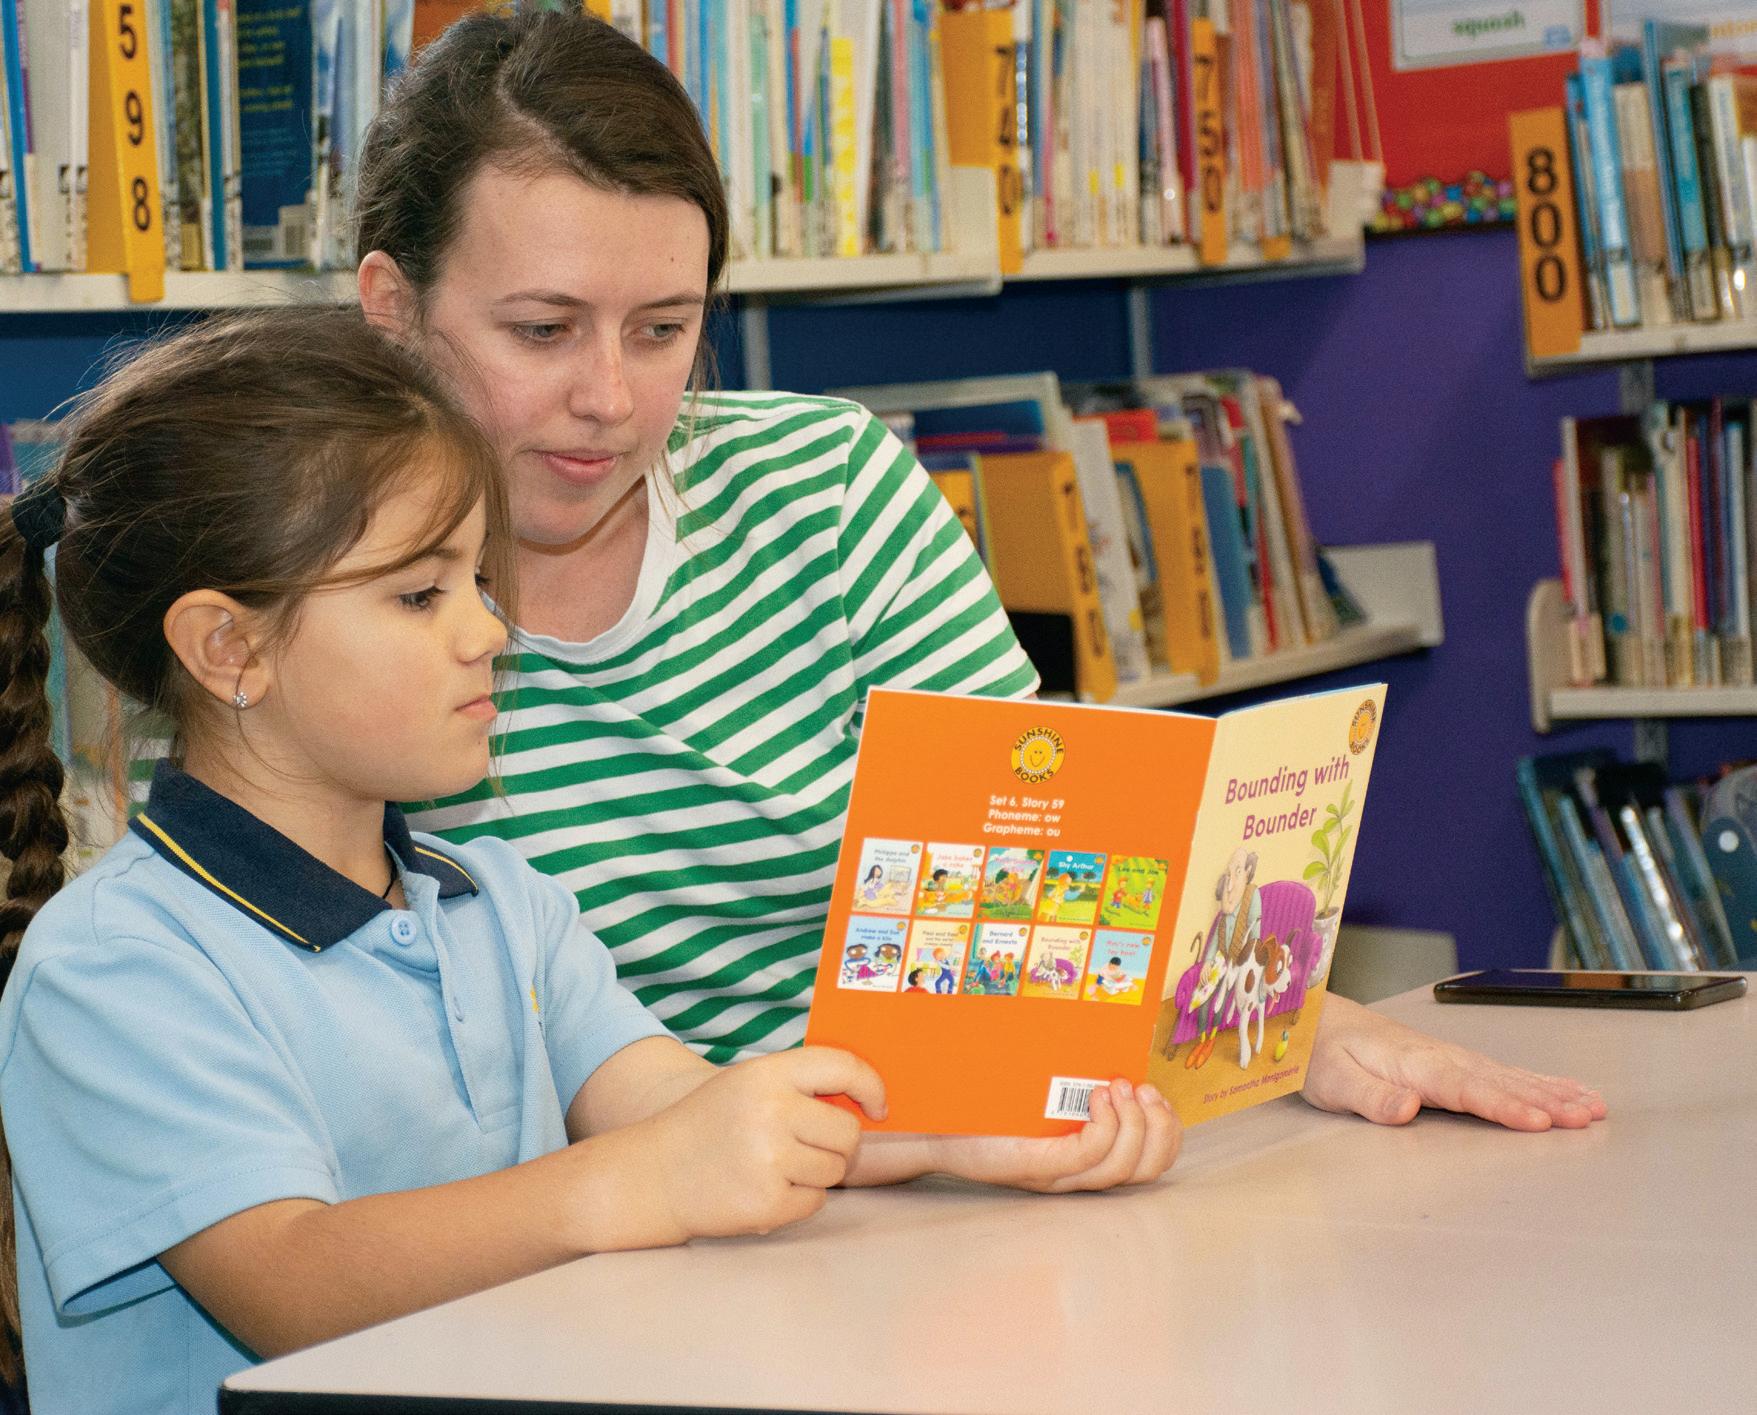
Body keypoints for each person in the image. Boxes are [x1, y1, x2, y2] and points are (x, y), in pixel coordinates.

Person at [354, 9, 1601, 1139]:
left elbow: (1044, 859)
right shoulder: (312, 601)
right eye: (542, 330)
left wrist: (1297, 1026)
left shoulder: (824, 486)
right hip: (584, 1223)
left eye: (663, 328)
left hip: (922, 1154)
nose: (612, 399)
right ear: (391, 308)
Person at [0, 311, 1176, 1414]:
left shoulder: (497, 901)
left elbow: (678, 1102)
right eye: (419, 593)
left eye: (478, 581)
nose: (488, 629)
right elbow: (292, 1279)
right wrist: (629, 1181)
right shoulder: (115, 968)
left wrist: (954, 1137)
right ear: (227, 647)